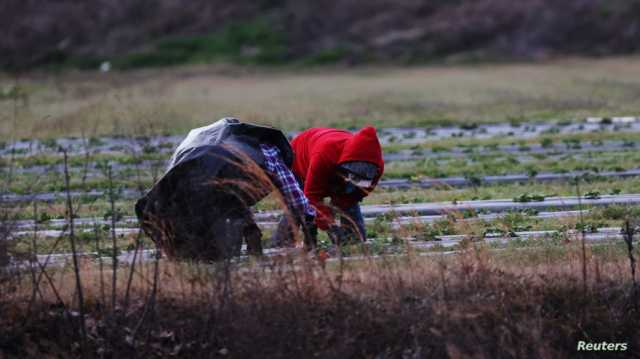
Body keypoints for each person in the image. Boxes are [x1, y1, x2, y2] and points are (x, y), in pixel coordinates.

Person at [136, 118, 316, 261]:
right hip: (216, 179)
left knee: (198, 246)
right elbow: (297, 200)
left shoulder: (236, 142)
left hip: (190, 174)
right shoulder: (272, 152)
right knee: (223, 250)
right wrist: (311, 239)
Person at [273, 126, 384, 245]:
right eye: (354, 176)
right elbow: (311, 197)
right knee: (297, 205)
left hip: (333, 164)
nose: (354, 180)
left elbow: (357, 195)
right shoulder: (324, 155)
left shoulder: (377, 167)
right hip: (300, 157)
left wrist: (340, 204)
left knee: (351, 213)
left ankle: (351, 241)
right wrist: (329, 225)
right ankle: (282, 242)